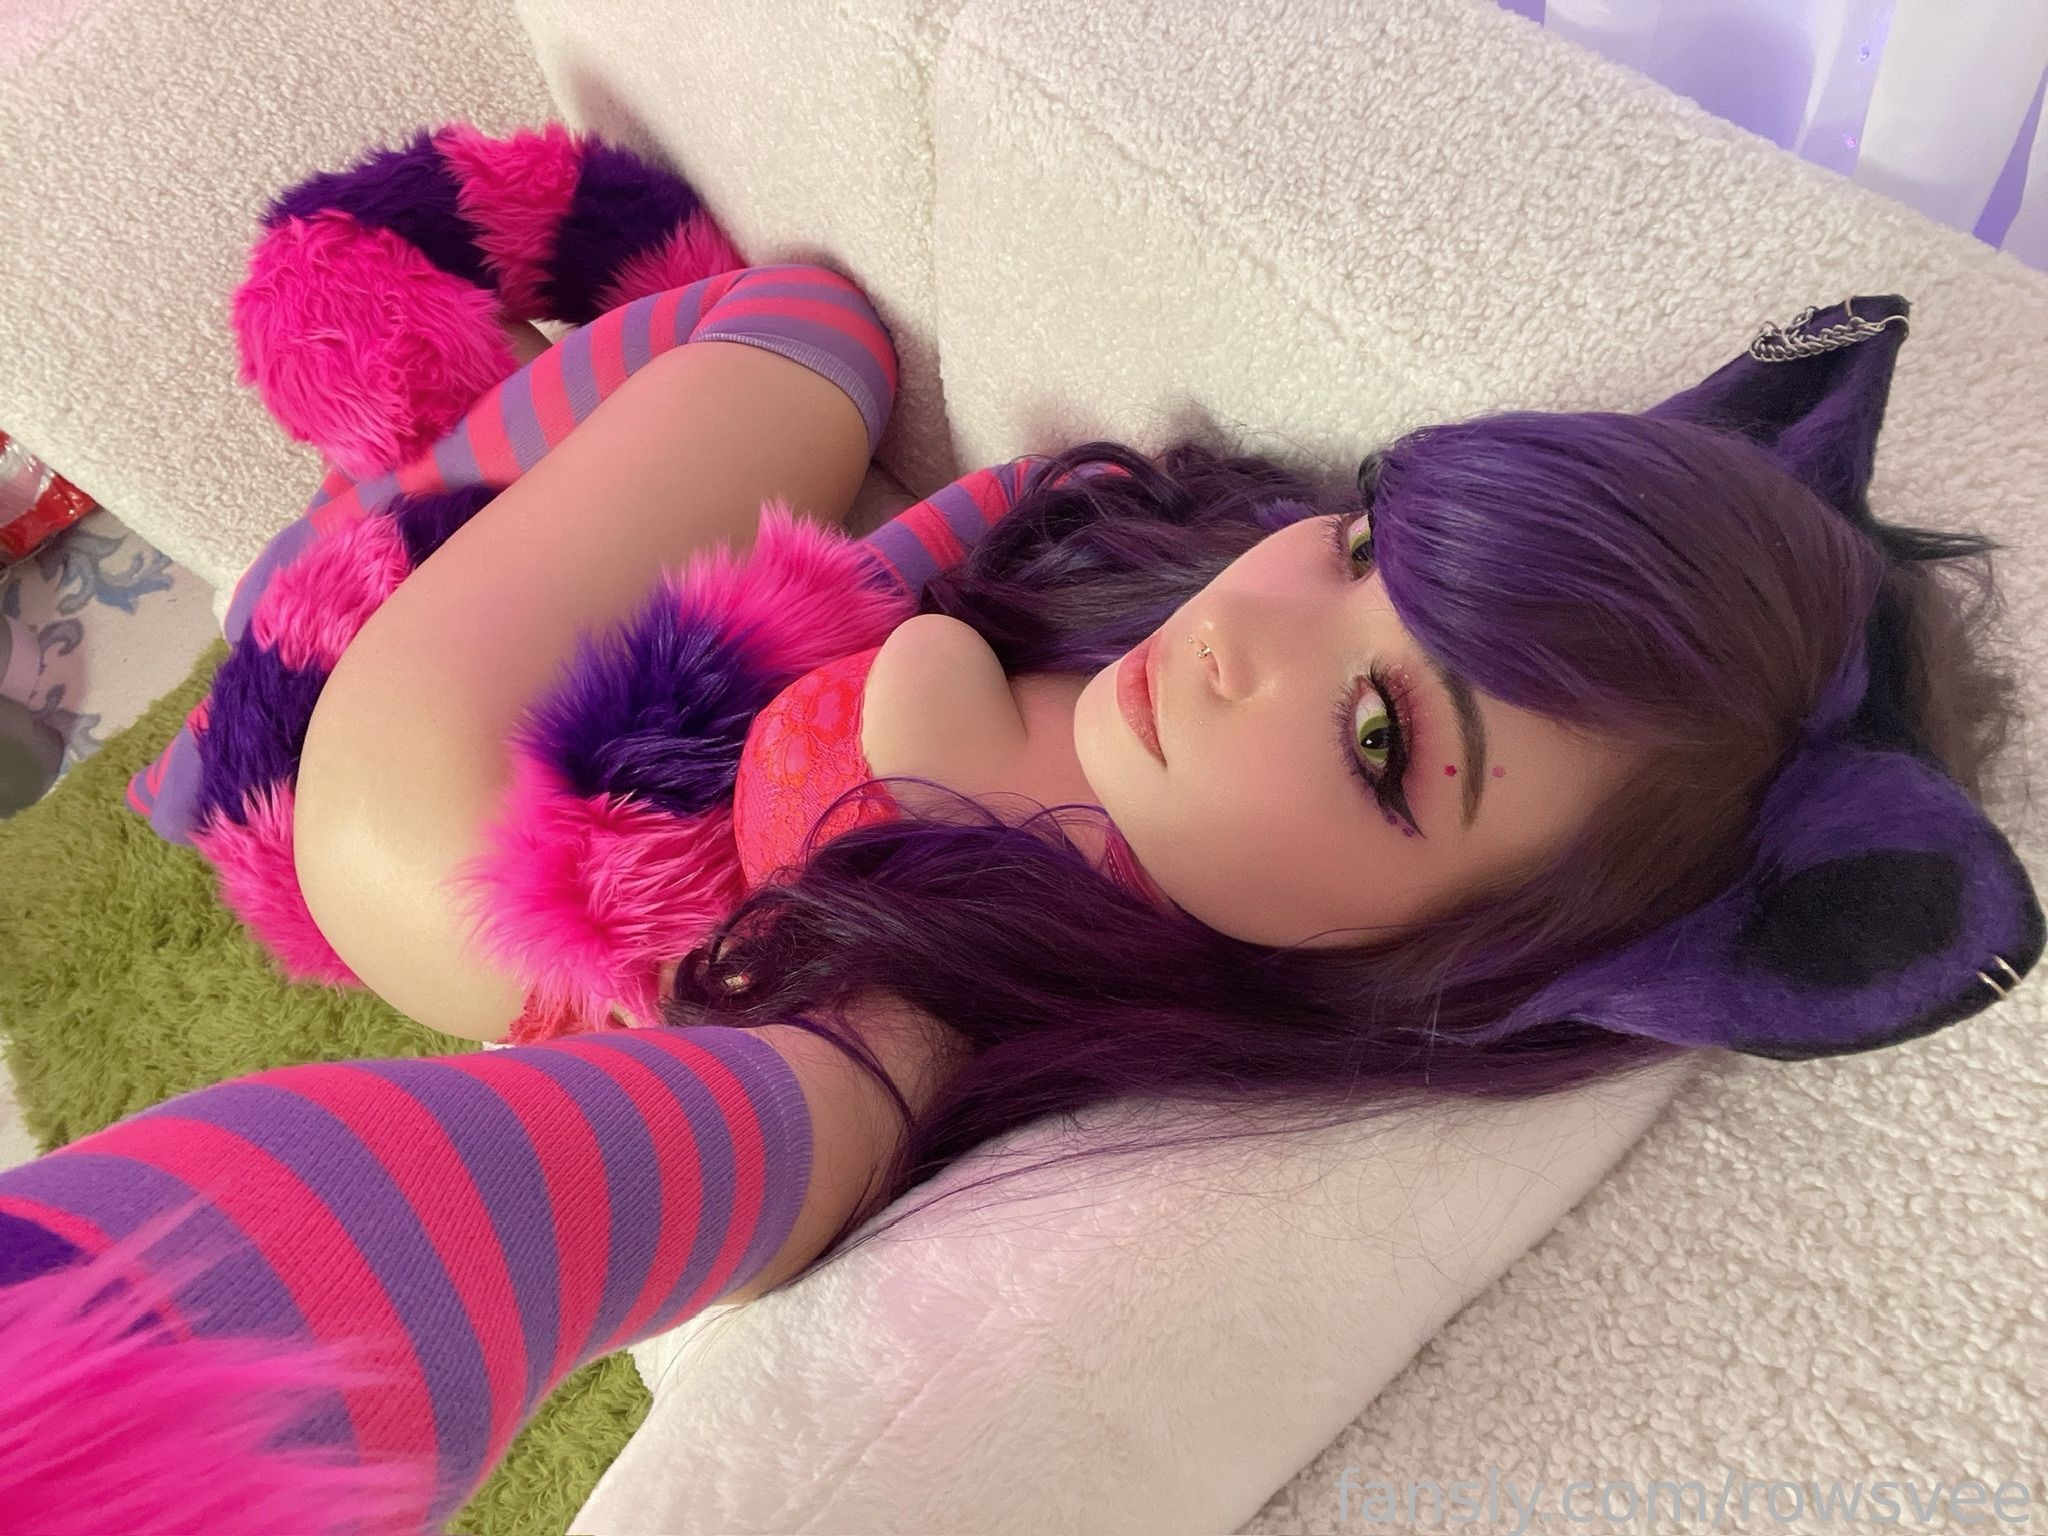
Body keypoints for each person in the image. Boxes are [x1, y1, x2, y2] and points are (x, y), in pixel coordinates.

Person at [5, 125, 2037, 1532]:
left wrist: (91, 1398)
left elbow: (586, 1182)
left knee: (786, 339)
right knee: (779, 329)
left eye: (1375, 735)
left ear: (1461, 960)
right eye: (1359, 544)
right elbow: (964, 563)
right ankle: (394, 514)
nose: (1248, 627)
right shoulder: (1174, 620)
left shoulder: (970, 1011)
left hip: (467, 850)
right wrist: (945, 561)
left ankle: (378, 530)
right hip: (637, 699)